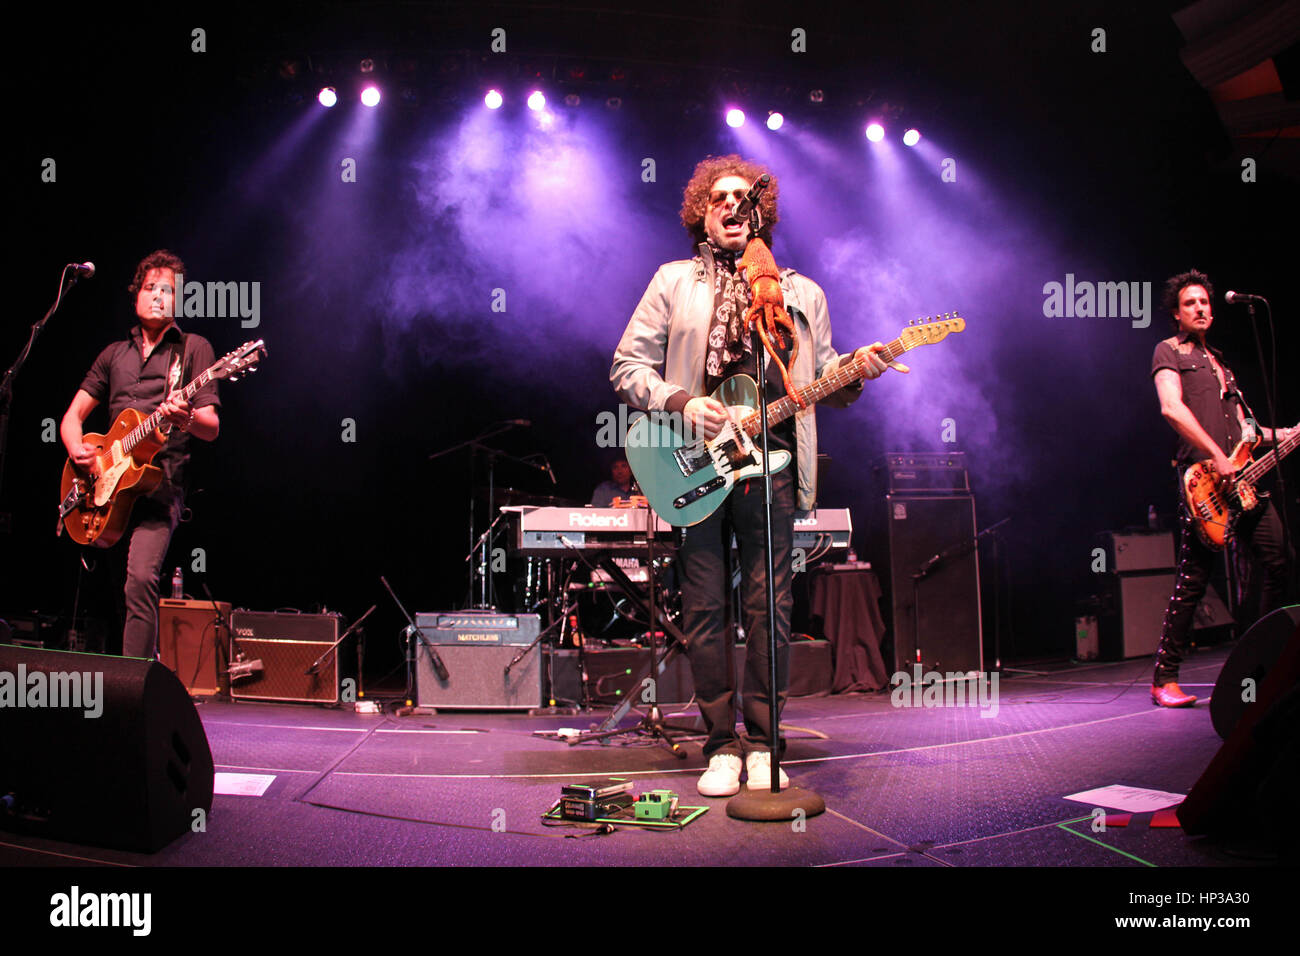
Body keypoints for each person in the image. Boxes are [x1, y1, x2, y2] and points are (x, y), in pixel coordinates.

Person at [611, 155, 901, 795]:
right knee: (707, 608)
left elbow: (825, 379)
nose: (733, 204)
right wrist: (684, 402)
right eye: (720, 197)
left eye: (743, 196)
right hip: (697, 463)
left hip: (772, 465)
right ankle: (720, 744)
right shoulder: (671, 281)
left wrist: (861, 367)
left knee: (770, 607)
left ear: (759, 210)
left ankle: (767, 744)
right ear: (701, 212)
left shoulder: (801, 292)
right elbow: (627, 368)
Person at [60, 250, 221, 660]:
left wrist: (182, 419)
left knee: (140, 579)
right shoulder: (113, 354)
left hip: (159, 486)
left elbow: (211, 427)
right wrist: (80, 451)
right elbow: (72, 418)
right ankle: (134, 676)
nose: (157, 296)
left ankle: (137, 687)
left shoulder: (193, 349)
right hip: (106, 486)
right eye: (150, 287)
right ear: (136, 294)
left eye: (168, 290)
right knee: (116, 592)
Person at [1150, 269, 1294, 707]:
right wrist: (1216, 455)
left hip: (1242, 482)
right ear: (1177, 314)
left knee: (1282, 561)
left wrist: (1287, 432)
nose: (1200, 308)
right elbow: (1171, 409)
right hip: (1205, 482)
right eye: (1190, 303)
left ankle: (1263, 658)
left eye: (1205, 302)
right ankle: (1164, 678)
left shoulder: (1224, 367)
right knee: (1194, 579)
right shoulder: (1168, 351)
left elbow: (1248, 431)